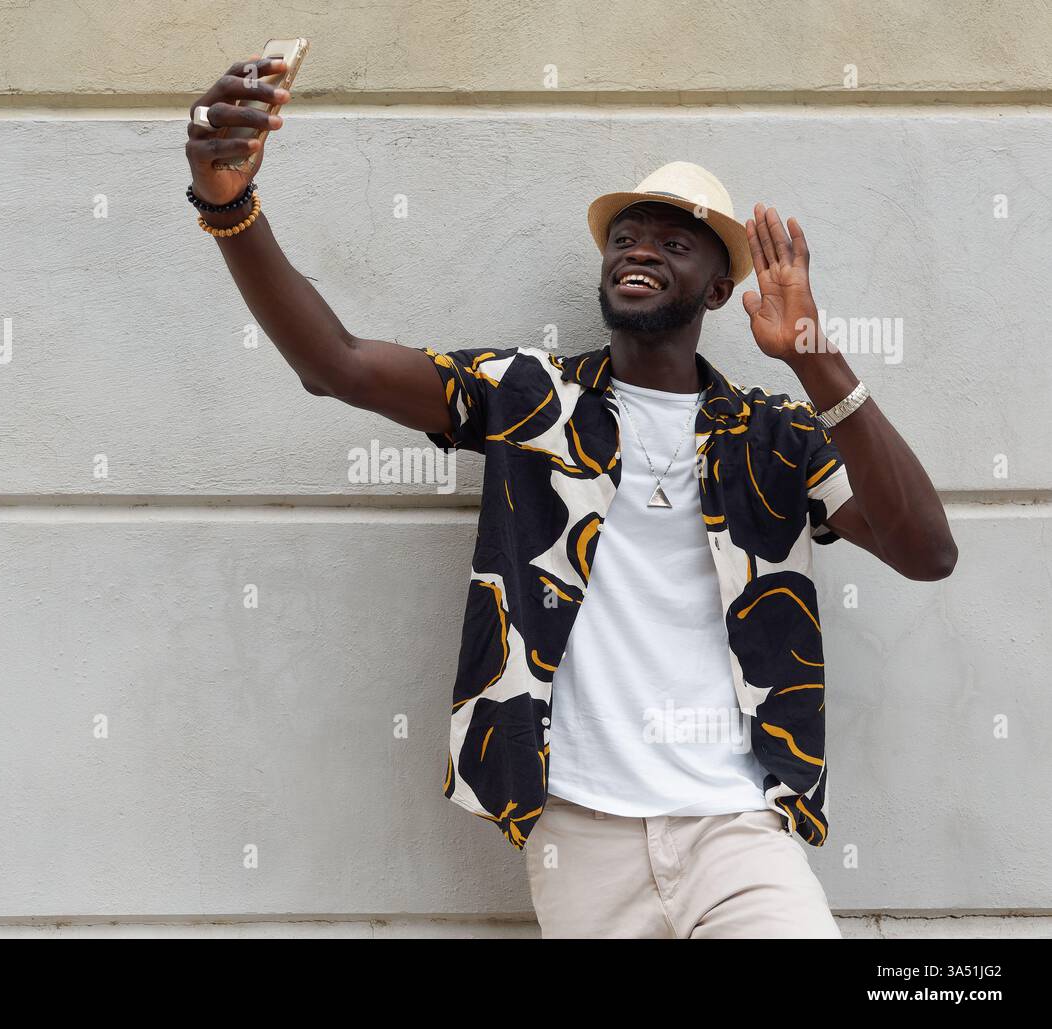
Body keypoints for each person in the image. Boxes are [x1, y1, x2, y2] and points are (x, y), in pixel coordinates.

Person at [186, 55, 958, 938]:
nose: (639, 250)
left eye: (674, 243)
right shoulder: (530, 398)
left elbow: (927, 550)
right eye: (626, 236)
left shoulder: (773, 436)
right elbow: (338, 366)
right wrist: (228, 206)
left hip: (738, 826)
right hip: (578, 832)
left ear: (718, 288)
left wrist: (813, 354)